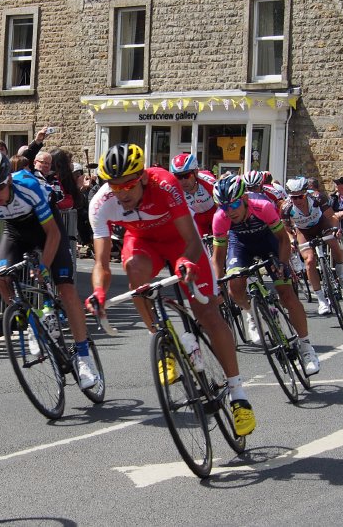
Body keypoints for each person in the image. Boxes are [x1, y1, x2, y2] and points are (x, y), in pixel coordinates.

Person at [86, 143, 255, 436]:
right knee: (133, 271)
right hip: (143, 244)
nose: (122, 193)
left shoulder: (164, 183)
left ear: (141, 178)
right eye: (114, 185)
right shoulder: (101, 203)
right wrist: (99, 293)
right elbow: (100, 262)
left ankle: (238, 394)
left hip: (181, 241)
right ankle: (162, 339)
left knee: (208, 313)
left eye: (127, 184)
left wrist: (184, 260)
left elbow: (190, 237)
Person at [0, 150, 101, 389]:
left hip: (46, 228)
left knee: (66, 289)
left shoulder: (28, 186)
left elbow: (52, 233)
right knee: (1, 276)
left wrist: (44, 267)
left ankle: (83, 357)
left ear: (8, 180)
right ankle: (30, 323)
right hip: (15, 231)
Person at [211, 176, 321, 376]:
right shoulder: (220, 217)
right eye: (224, 207)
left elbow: (282, 240)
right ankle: (252, 312)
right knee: (234, 288)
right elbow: (218, 258)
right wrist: (215, 286)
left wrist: (281, 263)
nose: (230, 211)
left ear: (244, 198)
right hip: (240, 244)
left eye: (234, 204)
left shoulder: (262, 206)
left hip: (268, 241)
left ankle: (306, 347)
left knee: (285, 292)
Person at [282, 177, 343, 314]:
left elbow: (332, 217)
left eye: (300, 197)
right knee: (309, 260)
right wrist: (291, 240)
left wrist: (336, 229)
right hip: (303, 231)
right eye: (293, 198)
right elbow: (287, 229)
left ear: (306, 193)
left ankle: (340, 270)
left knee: (333, 242)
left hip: (321, 224)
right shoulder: (286, 207)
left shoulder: (317, 198)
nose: (297, 201)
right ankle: (321, 300)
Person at [170, 152, 218, 237]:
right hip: (197, 218)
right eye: (179, 177)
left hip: (214, 213)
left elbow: (222, 205)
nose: (183, 181)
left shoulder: (208, 183)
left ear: (196, 172)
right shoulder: (174, 189)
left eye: (187, 175)